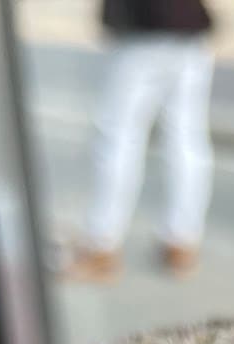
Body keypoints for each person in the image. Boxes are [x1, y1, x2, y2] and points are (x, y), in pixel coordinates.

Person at [65, 0, 215, 282]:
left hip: (145, 30)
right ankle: (181, 241)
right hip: (188, 28)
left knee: (118, 138)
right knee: (186, 137)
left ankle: (101, 245)